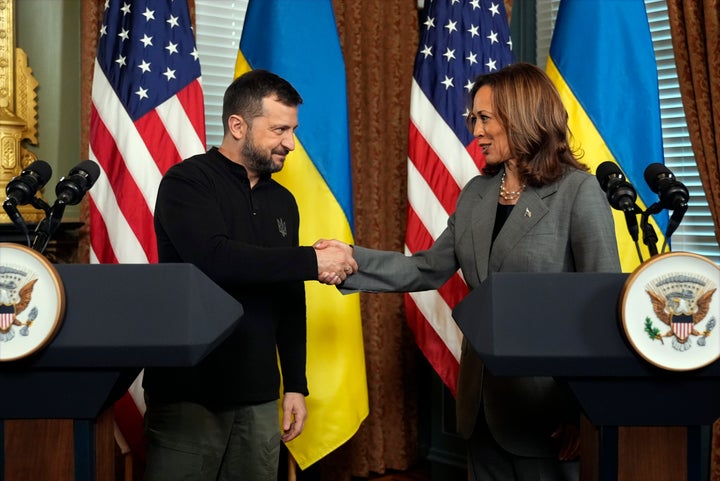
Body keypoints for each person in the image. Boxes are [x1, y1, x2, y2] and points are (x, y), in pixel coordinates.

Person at [318, 62, 621, 481]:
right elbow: (426, 268)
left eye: (484, 119)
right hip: (480, 406)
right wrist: (350, 259)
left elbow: (600, 306)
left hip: (548, 412)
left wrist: (580, 410)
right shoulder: (477, 193)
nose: (474, 131)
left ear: (522, 116)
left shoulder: (577, 192)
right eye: (472, 119)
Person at [143, 69, 356, 481]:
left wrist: (295, 383)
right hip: (190, 392)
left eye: (292, 130)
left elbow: (290, 298)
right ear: (237, 125)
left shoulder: (284, 200)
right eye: (279, 129)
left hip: (259, 395)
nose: (290, 143)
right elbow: (214, 259)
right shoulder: (186, 182)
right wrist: (312, 262)